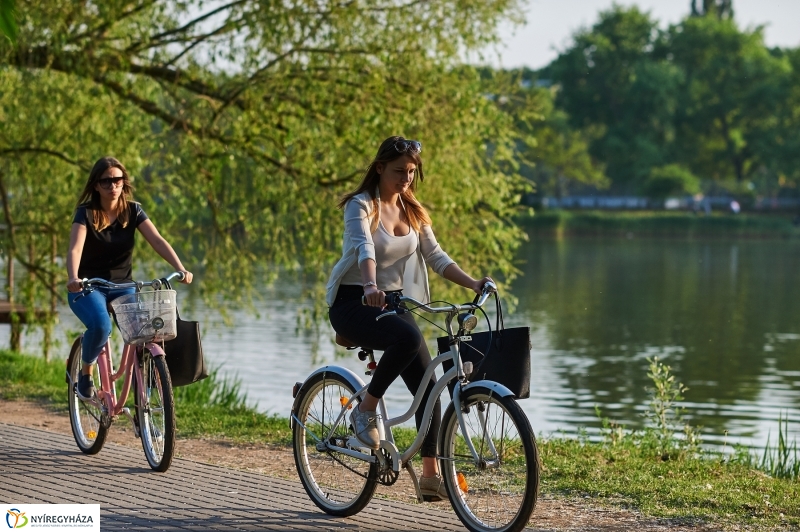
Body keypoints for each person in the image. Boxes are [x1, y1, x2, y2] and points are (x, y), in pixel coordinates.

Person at [325, 136, 492, 501]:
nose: (406, 179)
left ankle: (431, 476)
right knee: (409, 339)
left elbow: (437, 257)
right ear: (380, 167)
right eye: (399, 171)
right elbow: (363, 248)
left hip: (392, 305)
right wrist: (370, 283)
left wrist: (474, 283)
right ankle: (366, 409)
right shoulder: (361, 206)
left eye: (412, 173)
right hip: (355, 302)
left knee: (429, 390)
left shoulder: (412, 210)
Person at [66, 157, 193, 399]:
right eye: (106, 181)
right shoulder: (86, 213)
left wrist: (180, 267)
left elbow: (157, 240)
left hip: (123, 287)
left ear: (124, 182)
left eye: (117, 180)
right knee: (101, 326)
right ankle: (86, 372)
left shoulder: (133, 210)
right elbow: (75, 249)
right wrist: (73, 277)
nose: (112, 185)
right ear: (96, 185)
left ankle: (144, 400)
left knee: (147, 332)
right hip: (88, 287)